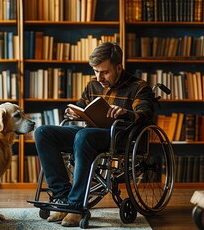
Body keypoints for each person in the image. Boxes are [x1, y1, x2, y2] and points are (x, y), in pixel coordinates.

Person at [34, 42, 155, 227]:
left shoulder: (139, 87)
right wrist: (72, 113)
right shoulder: (93, 85)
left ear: (119, 67)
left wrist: (125, 113)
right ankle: (62, 198)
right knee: (43, 132)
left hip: (120, 136)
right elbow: (80, 106)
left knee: (85, 136)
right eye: (95, 71)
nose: (99, 77)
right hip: (90, 133)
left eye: (104, 72)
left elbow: (145, 114)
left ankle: (75, 205)